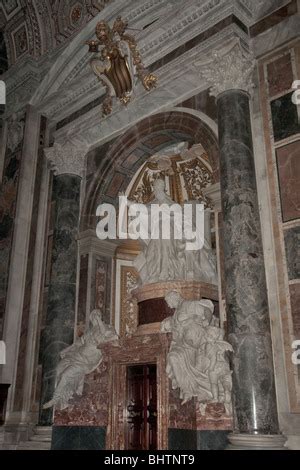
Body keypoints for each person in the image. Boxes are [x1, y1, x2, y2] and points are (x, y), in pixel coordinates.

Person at [43, 310, 118, 410]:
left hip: (86, 360)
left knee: (66, 375)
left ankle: (55, 399)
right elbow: (77, 344)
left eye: (97, 314)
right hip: (76, 355)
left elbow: (109, 336)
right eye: (93, 315)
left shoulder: (107, 328)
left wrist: (99, 321)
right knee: (58, 370)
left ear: (100, 317)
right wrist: (65, 350)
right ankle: (61, 397)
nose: (94, 316)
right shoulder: (89, 331)